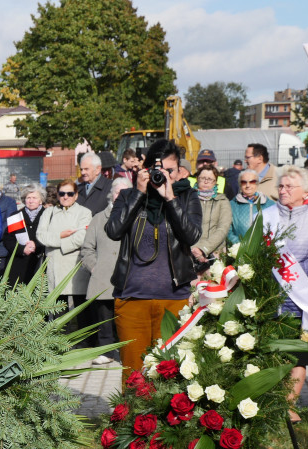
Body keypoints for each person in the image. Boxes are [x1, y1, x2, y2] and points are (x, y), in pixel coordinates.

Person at [106, 139, 203, 373]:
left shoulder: (187, 197)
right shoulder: (128, 196)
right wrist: (139, 193)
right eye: (159, 171)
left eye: (170, 171)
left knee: (169, 376)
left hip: (174, 299)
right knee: (134, 376)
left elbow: (191, 236)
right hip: (132, 299)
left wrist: (171, 199)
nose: (165, 176)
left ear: (179, 171)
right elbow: (114, 230)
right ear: (146, 170)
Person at [261, 166, 308, 423]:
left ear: (307, 192)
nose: (283, 190)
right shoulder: (266, 215)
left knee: (299, 357)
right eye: (281, 186)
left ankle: (288, 408)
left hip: (307, 303)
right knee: (270, 355)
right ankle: (270, 406)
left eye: (290, 186)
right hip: (271, 301)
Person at [80, 177, 132, 364]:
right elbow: (87, 248)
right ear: (112, 194)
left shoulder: (137, 216)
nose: (121, 195)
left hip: (130, 277)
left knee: (128, 318)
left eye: (126, 192)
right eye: (118, 191)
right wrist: (94, 267)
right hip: (104, 277)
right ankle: (106, 352)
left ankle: (129, 352)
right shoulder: (99, 218)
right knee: (104, 317)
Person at [37, 179, 92, 305]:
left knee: (81, 315)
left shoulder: (85, 213)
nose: (65, 197)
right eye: (62, 194)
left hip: (75, 267)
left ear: (76, 195)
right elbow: (41, 236)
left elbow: (81, 237)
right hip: (54, 267)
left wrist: (58, 243)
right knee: (58, 314)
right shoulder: (48, 212)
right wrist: (61, 236)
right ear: (57, 195)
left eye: (70, 194)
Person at [3, 184, 47, 286]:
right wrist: (22, 249)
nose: (31, 201)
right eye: (28, 198)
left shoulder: (47, 215)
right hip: (19, 264)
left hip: (39, 262)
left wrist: (36, 245)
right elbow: (8, 239)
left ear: (41, 200)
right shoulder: (16, 216)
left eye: (34, 198)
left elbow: (50, 236)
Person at [191, 166, 232, 264]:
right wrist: (194, 249)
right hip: (191, 254)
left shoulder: (222, 201)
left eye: (210, 179)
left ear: (215, 182)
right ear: (197, 179)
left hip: (215, 255)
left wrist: (203, 248)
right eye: (203, 178)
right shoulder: (188, 199)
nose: (206, 182)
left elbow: (223, 228)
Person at [228, 168, 274, 245]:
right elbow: (228, 231)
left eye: (252, 182)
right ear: (240, 184)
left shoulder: (270, 205)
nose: (248, 185)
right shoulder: (231, 205)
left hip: (263, 251)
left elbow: (275, 229)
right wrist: (240, 246)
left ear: (257, 183)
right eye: (244, 182)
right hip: (238, 250)